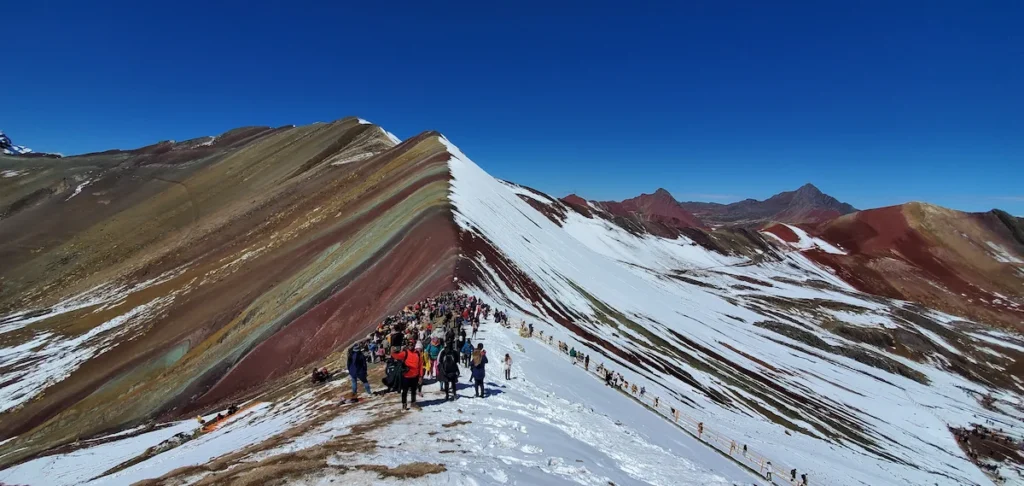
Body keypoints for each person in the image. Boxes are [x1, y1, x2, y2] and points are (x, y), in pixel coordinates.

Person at [391, 344, 423, 410]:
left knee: (414, 390)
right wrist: (392, 351)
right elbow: (396, 356)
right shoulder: (405, 353)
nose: (410, 346)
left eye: (412, 345)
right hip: (406, 376)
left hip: (415, 375)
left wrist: (420, 376)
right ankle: (404, 404)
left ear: (414, 345)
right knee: (405, 391)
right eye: (409, 345)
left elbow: (420, 365)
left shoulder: (418, 354)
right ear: (408, 346)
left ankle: (413, 403)